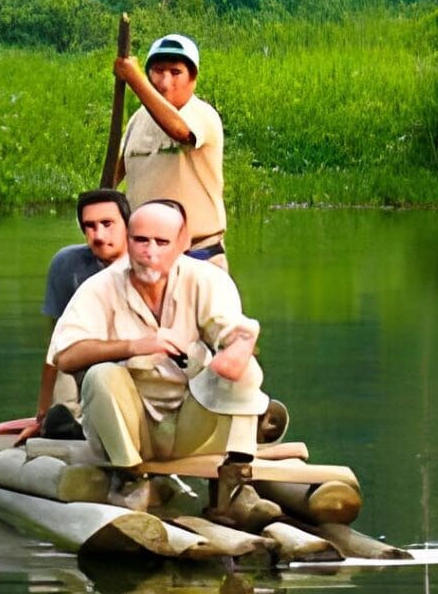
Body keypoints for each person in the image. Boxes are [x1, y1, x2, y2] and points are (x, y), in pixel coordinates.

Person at [48, 199, 267, 514]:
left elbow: (235, 332)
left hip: (190, 423)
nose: (149, 253)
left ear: (181, 244)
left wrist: (237, 350)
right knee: (100, 375)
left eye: (161, 242)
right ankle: (130, 480)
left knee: (245, 369)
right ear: (129, 240)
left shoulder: (207, 280)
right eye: (141, 241)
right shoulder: (100, 287)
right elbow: (65, 356)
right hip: (128, 431)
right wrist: (135, 346)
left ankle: (235, 483)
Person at [113, 33, 227, 269]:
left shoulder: (202, 114)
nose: (165, 83)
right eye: (158, 71)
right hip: (146, 260)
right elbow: (114, 176)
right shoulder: (137, 120)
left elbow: (178, 131)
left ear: (193, 77)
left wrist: (134, 79)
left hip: (199, 257)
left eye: (176, 73)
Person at [36, 190, 129, 427]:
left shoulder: (148, 261)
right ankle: (63, 421)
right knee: (66, 365)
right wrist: (42, 412)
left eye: (107, 224)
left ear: (128, 225)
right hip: (81, 358)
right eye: (90, 226)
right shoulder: (68, 264)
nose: (98, 235)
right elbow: (56, 343)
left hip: (133, 360)